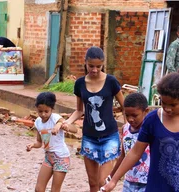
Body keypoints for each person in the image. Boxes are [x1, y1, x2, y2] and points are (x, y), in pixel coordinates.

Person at [101, 67, 179, 192]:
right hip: (157, 186)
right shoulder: (152, 120)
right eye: (164, 103)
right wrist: (114, 180)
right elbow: (135, 152)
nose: (167, 109)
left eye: (173, 105)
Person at [61, 46, 125, 191]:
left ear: (103, 64)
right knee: (93, 183)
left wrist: (127, 128)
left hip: (110, 136)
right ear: (85, 63)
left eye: (98, 66)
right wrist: (67, 122)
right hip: (89, 137)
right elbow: (79, 110)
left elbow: (125, 106)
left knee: (103, 181)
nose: (94, 70)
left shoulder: (111, 81)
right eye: (91, 66)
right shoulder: (80, 84)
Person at [26, 92, 77, 192]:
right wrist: (32, 145)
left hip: (61, 158)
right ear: (36, 108)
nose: (43, 114)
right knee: (39, 189)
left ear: (52, 109)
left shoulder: (55, 118)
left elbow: (74, 129)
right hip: (48, 157)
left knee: (55, 190)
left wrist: (61, 125)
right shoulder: (38, 122)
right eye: (40, 111)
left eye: (46, 111)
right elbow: (39, 142)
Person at [109, 92, 150, 192]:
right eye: (127, 115)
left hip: (148, 183)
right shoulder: (125, 129)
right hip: (129, 182)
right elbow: (123, 155)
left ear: (146, 111)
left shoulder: (151, 130)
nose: (131, 119)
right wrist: (111, 176)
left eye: (135, 115)